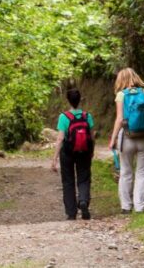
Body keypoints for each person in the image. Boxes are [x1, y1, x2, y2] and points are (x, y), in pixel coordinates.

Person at [107, 67, 144, 214]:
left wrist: (112, 139)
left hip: (126, 138)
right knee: (142, 172)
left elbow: (119, 119)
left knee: (126, 172)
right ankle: (140, 207)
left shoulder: (121, 95)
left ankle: (126, 206)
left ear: (121, 80)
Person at [51, 88, 95, 220]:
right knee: (84, 178)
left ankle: (71, 212)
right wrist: (92, 151)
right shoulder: (87, 116)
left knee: (68, 181)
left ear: (68, 100)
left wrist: (55, 158)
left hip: (68, 152)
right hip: (84, 152)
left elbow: (60, 138)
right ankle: (83, 201)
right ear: (80, 99)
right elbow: (92, 137)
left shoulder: (64, 117)